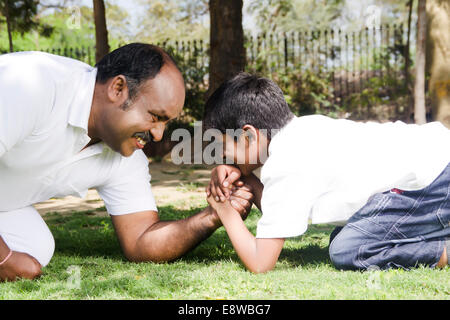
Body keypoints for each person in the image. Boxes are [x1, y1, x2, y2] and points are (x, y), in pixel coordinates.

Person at [0, 44, 253, 282]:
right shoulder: (31, 83)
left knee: (36, 246)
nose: (158, 135)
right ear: (117, 89)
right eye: (155, 117)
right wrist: (5, 259)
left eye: (166, 124)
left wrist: (212, 215)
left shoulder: (125, 154)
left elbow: (141, 239)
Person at [203, 72, 450, 273]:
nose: (225, 158)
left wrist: (224, 209)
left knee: (350, 248)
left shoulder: (285, 164)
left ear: (249, 136)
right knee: (346, 237)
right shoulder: (301, 131)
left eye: (225, 148)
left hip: (435, 180)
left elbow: (260, 263)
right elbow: (283, 213)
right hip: (436, 162)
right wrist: (243, 176)